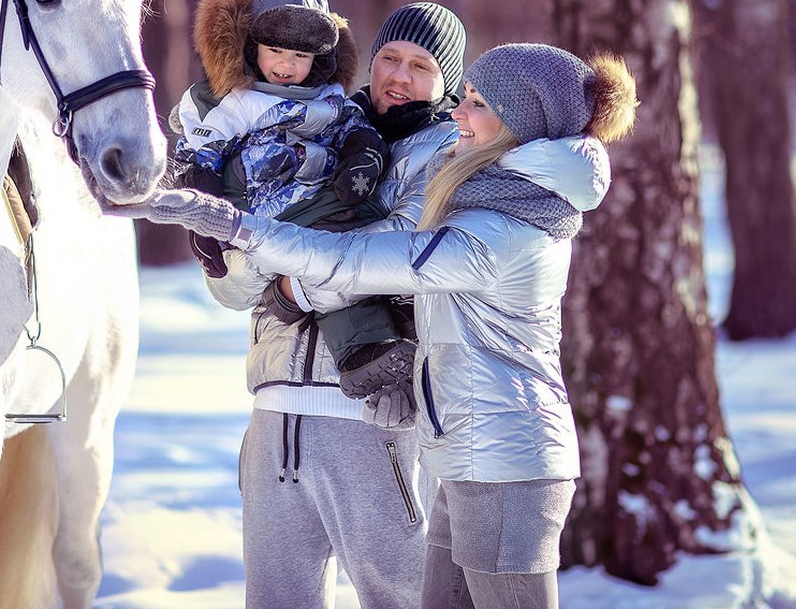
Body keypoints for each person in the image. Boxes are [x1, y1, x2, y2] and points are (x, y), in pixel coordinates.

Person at [114, 42, 638, 609]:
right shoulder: (484, 203)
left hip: (505, 461)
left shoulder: (499, 231)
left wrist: (234, 223)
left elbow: (358, 262)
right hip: (467, 453)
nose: (460, 113)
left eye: (477, 103)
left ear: (518, 124)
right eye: (463, 99)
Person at [194, 1, 469, 609]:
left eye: (420, 65)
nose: (398, 76)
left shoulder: (449, 153)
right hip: (273, 420)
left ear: (446, 80)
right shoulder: (311, 125)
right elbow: (234, 291)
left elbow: (400, 248)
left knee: (398, 599)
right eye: (389, 58)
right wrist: (228, 239)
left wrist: (294, 285)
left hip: (373, 421)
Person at [172, 0, 411, 397]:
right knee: (326, 260)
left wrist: (363, 160)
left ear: (319, 59)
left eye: (300, 55)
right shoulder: (234, 99)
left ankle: (365, 353)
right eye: (275, 51)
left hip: (330, 202)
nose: (286, 65)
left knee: (341, 261)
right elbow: (202, 154)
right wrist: (203, 216)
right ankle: (362, 347)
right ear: (252, 48)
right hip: (269, 209)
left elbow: (356, 129)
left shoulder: (328, 97)